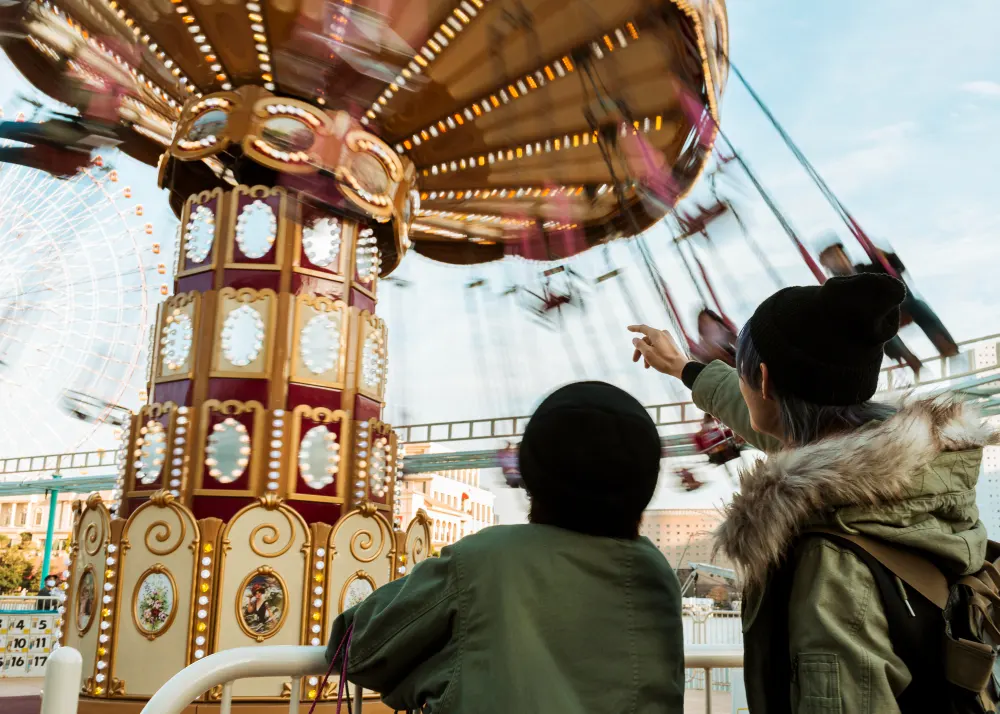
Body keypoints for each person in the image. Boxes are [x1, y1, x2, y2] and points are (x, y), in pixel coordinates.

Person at [629, 273, 996, 713]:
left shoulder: (831, 568)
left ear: (763, 381)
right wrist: (685, 368)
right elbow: (783, 430)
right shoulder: (921, 474)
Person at [325, 382, 685, 713]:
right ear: (645, 484)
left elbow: (359, 650)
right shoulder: (656, 574)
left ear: (531, 476)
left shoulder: (483, 559)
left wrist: (430, 676)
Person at [818, 240, 958, 359]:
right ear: (828, 266)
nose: (838, 260)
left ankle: (947, 347)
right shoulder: (836, 287)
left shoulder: (866, 269)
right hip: (875, 323)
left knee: (917, 305)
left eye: (839, 255)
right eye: (832, 259)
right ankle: (908, 361)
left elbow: (897, 268)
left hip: (897, 309)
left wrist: (885, 256)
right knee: (871, 328)